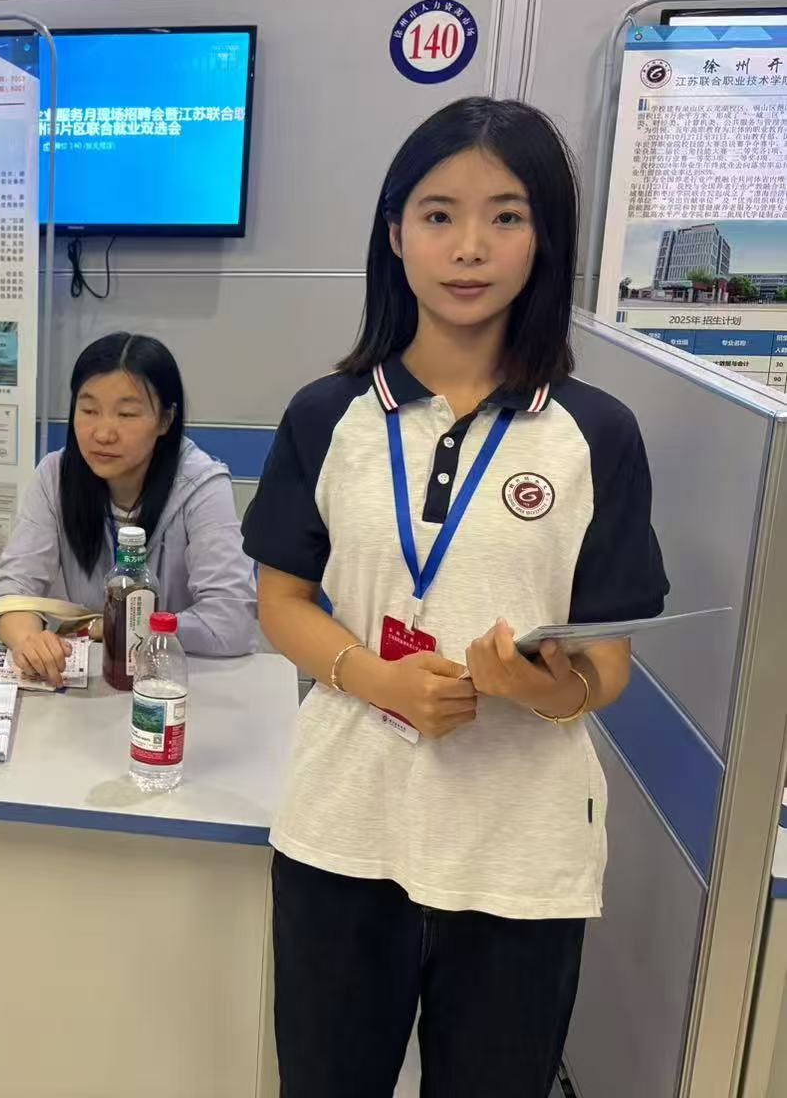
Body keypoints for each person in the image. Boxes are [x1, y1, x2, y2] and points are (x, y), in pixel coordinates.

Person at [241, 98, 669, 1098]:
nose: (469, 247)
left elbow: (607, 664)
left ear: (542, 238)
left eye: (505, 216)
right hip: (345, 829)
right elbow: (281, 601)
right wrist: (379, 678)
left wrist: (541, 689)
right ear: (395, 233)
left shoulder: (595, 433)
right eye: (438, 214)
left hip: (520, 850)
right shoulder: (328, 415)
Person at [0, 332, 257, 683]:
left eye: (127, 414)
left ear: (165, 420)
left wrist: (113, 627)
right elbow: (14, 592)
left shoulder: (200, 485)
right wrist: (29, 641)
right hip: (92, 684)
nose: (103, 433)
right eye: (88, 410)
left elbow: (231, 620)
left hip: (177, 681)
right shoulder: (55, 475)